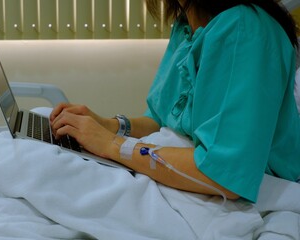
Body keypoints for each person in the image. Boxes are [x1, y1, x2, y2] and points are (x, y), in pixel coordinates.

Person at [50, 0, 300, 203]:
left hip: (253, 189)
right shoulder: (187, 25)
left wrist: (112, 145)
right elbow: (159, 120)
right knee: (40, 144)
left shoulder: (246, 30)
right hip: (178, 167)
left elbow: (223, 174)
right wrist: (108, 125)